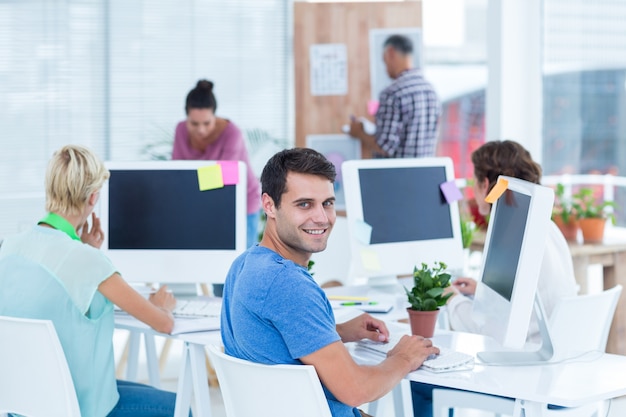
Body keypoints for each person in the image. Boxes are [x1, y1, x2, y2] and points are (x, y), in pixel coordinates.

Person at [220, 147, 440, 417]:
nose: (322, 218)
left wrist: (338, 332)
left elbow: (273, 339)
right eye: (304, 204)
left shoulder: (244, 265)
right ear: (269, 205)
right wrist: (404, 358)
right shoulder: (288, 284)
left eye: (327, 203)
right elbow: (356, 390)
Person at [0, 145, 185, 417]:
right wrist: (162, 305)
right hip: (81, 408)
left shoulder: (9, 247)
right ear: (93, 197)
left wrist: (86, 249)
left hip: (24, 406)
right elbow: (164, 324)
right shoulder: (88, 261)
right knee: (184, 408)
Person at [410, 140, 579, 417]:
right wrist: (483, 291)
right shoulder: (546, 228)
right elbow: (532, 298)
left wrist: (451, 298)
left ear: (486, 183)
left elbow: (488, 336)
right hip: (558, 370)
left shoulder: (510, 238)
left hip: (522, 376)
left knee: (420, 379)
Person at [172, 79, 261, 247]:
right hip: (204, 202)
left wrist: (189, 179)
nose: (201, 130)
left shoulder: (232, 133)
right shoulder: (181, 130)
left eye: (207, 123)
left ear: (215, 116)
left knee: (244, 256)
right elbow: (176, 171)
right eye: (194, 123)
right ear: (187, 118)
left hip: (242, 201)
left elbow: (226, 177)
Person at [349, 34, 440, 158]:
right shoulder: (431, 90)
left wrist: (359, 133)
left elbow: (384, 147)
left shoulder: (393, 93)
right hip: (426, 173)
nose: (385, 68)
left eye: (384, 61)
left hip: (397, 174)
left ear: (391, 53)